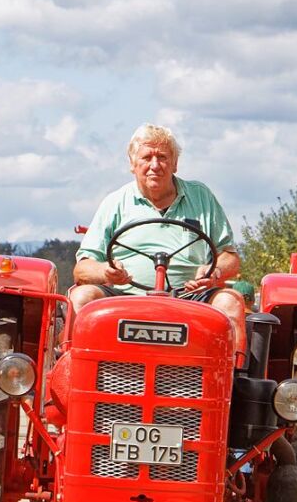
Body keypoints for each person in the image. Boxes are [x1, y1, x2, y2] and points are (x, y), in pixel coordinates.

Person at [71, 123, 247, 360]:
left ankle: (231, 385)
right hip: (124, 296)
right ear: (132, 164)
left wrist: (213, 271)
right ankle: (75, 372)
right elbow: (82, 267)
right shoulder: (116, 203)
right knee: (81, 297)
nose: (155, 165)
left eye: (162, 157)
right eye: (147, 157)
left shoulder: (201, 197)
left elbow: (230, 257)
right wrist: (106, 271)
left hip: (190, 298)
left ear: (175, 163)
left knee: (230, 302)